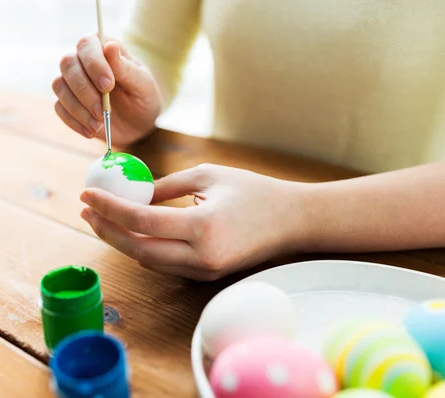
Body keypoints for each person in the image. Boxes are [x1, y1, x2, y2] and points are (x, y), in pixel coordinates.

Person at [52, 1, 445, 281]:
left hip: (404, 262)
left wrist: (295, 214)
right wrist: (130, 92)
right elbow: (152, 46)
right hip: (222, 221)